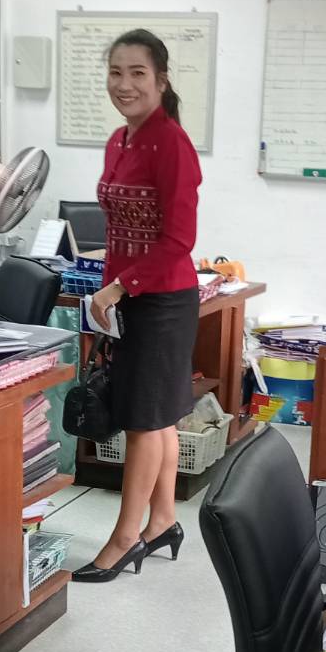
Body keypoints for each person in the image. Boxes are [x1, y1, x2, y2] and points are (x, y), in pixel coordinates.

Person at [73, 30, 201, 582]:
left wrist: (119, 288)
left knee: (142, 423)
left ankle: (125, 538)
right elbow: (118, 232)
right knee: (159, 418)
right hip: (128, 299)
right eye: (115, 72)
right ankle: (163, 520)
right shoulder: (119, 140)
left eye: (137, 73)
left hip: (164, 300)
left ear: (161, 80)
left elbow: (179, 240)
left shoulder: (172, 143)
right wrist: (108, 295)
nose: (124, 84)